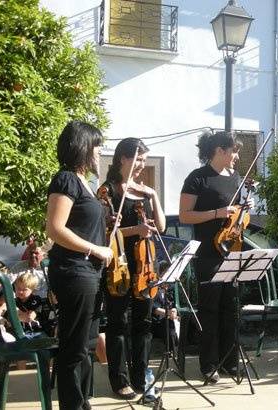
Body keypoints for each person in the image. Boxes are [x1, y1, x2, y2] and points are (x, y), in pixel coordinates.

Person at [46, 120, 112, 410]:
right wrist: (96, 248)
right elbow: (55, 229)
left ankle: (83, 403)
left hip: (88, 274)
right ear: (84, 147)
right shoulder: (66, 180)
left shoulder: (85, 182)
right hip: (74, 272)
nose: (100, 153)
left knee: (86, 346)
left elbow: (81, 225)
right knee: (74, 348)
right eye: (97, 147)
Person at [179, 130, 251, 383]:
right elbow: (186, 216)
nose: (237, 156)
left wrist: (244, 210)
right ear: (220, 150)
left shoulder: (236, 178)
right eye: (234, 150)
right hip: (208, 254)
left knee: (231, 308)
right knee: (209, 309)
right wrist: (217, 212)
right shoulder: (198, 178)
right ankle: (209, 364)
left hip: (232, 250)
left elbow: (237, 216)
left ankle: (230, 362)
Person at [100, 137, 165, 399]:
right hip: (120, 265)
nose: (141, 165)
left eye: (143, 160)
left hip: (145, 267)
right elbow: (105, 234)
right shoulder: (109, 191)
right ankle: (119, 380)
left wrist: (154, 195)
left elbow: (159, 226)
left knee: (144, 323)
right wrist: (135, 230)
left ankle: (141, 377)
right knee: (118, 324)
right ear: (122, 159)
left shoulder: (143, 191)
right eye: (137, 159)